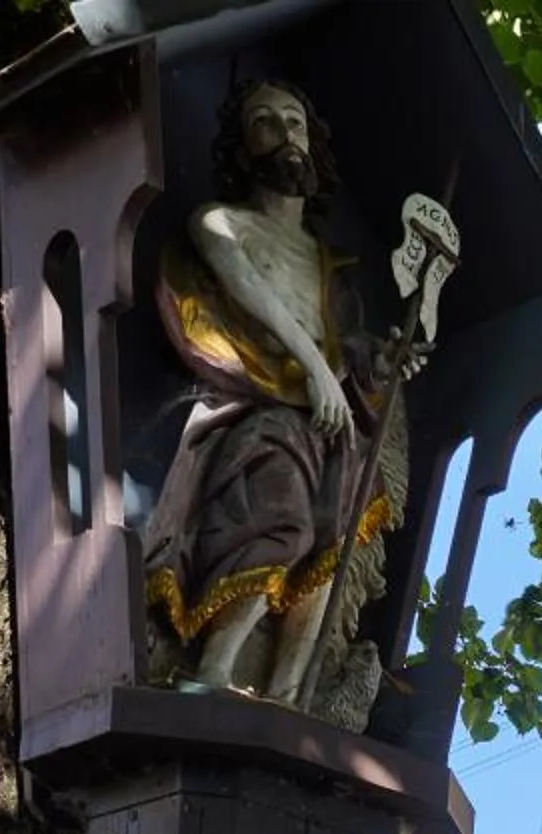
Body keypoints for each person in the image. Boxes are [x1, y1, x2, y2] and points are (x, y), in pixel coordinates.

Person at [142, 77, 392, 710]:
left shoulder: (327, 262)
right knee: (277, 517)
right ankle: (214, 669)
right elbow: (251, 291)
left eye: (296, 122)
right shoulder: (221, 223)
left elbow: (343, 352)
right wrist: (311, 367)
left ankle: (287, 697)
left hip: (327, 420)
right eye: (266, 122)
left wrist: (378, 362)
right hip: (253, 409)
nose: (286, 135)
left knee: (333, 539)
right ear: (241, 144)